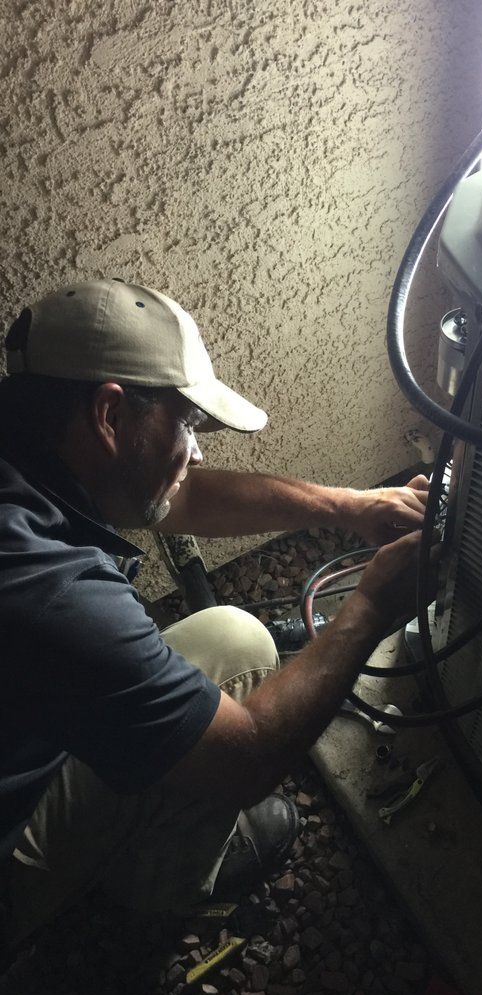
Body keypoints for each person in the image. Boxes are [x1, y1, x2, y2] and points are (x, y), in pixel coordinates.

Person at [0, 278, 431, 949]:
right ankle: (159, 888)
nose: (196, 450)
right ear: (109, 415)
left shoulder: (31, 440)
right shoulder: (52, 589)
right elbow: (248, 759)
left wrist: (348, 506)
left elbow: (182, 495)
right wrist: (373, 604)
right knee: (239, 642)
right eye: (188, 424)